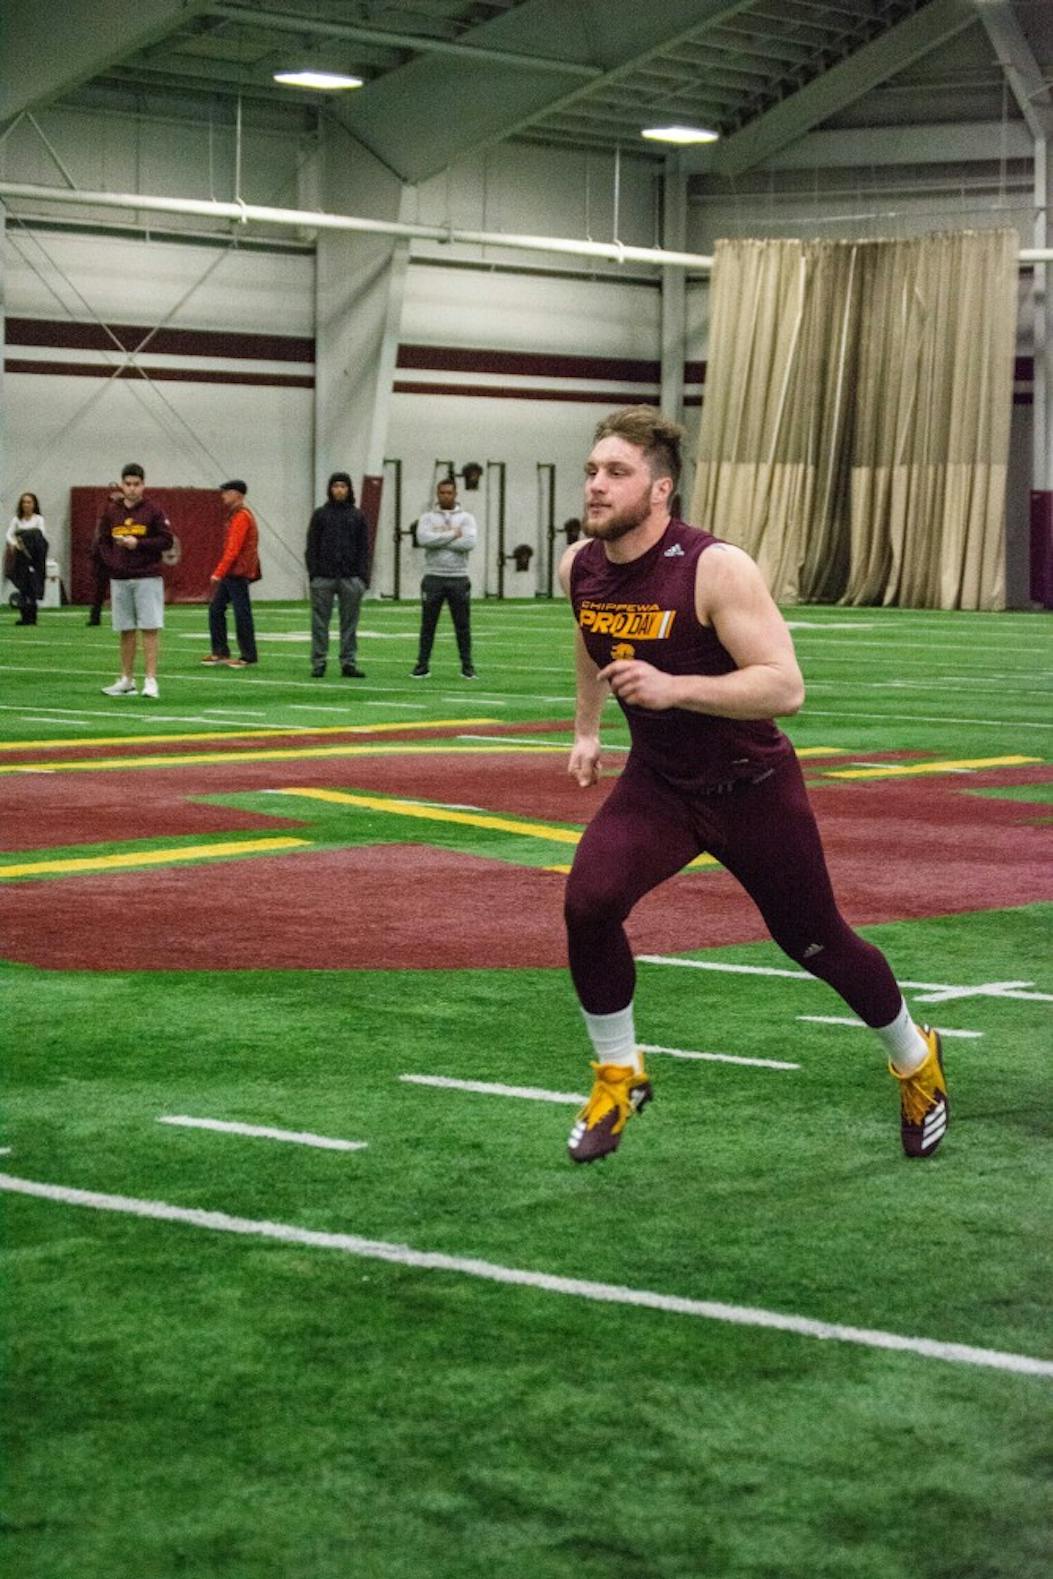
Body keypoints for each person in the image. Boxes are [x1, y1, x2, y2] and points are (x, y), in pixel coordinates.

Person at [560, 406, 948, 1165]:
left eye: (616, 473)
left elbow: (784, 686)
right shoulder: (579, 564)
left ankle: (916, 1060)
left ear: (661, 489)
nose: (596, 485)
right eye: (592, 470)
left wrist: (675, 688)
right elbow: (588, 631)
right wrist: (586, 727)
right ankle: (617, 1075)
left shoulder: (714, 567)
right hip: (660, 785)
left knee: (815, 941)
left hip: (753, 787)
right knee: (588, 903)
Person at [96, 463, 172, 699]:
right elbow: (103, 541)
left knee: (149, 627)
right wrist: (112, 562)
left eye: (136, 484)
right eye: (128, 484)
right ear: (122, 484)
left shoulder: (153, 510)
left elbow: (166, 540)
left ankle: (151, 680)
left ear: (143, 485)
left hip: (147, 576)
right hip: (120, 577)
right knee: (125, 629)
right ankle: (126, 680)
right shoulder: (111, 511)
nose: (131, 489)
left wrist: (139, 543)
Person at [410, 477, 478, 678]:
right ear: (437, 494)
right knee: (428, 625)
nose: (445, 496)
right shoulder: (427, 518)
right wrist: (452, 535)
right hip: (433, 577)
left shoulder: (467, 518)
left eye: (449, 493)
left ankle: (467, 667)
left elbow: (469, 543)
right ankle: (422, 665)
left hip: (459, 577)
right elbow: (423, 539)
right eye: (442, 493)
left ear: (455, 494)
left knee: (462, 625)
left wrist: (438, 540)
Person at [305, 471, 370, 678]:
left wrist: (362, 578)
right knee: (319, 623)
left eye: (343, 486)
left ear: (349, 489)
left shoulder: (357, 516)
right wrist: (314, 574)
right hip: (323, 577)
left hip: (351, 577)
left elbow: (364, 548)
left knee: (349, 623)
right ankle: (319, 662)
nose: (339, 490)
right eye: (336, 486)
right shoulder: (320, 515)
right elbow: (312, 546)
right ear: (330, 489)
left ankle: (348, 662)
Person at [203, 480, 259, 669]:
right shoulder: (236, 515)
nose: (223, 495)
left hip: (237, 572)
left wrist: (218, 573)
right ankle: (221, 651)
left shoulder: (241, 517)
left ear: (238, 494)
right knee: (217, 609)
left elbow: (233, 550)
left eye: (227, 492)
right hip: (233, 572)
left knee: (241, 613)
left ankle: (247, 656)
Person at [6, 493, 48, 625]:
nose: (26, 505)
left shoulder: (39, 519)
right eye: (24, 502)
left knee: (33, 586)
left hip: (34, 558)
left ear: (34, 504)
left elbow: (41, 534)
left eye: (29, 502)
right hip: (21, 558)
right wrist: (15, 544)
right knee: (23, 587)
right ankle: (24, 617)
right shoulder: (16, 520)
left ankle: (33, 617)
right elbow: (9, 535)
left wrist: (23, 537)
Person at [86, 483, 121, 625]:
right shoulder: (104, 519)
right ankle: (95, 617)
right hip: (103, 558)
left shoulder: (123, 519)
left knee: (121, 588)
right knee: (99, 589)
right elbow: (99, 539)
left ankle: (122, 616)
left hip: (119, 556)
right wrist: (101, 556)